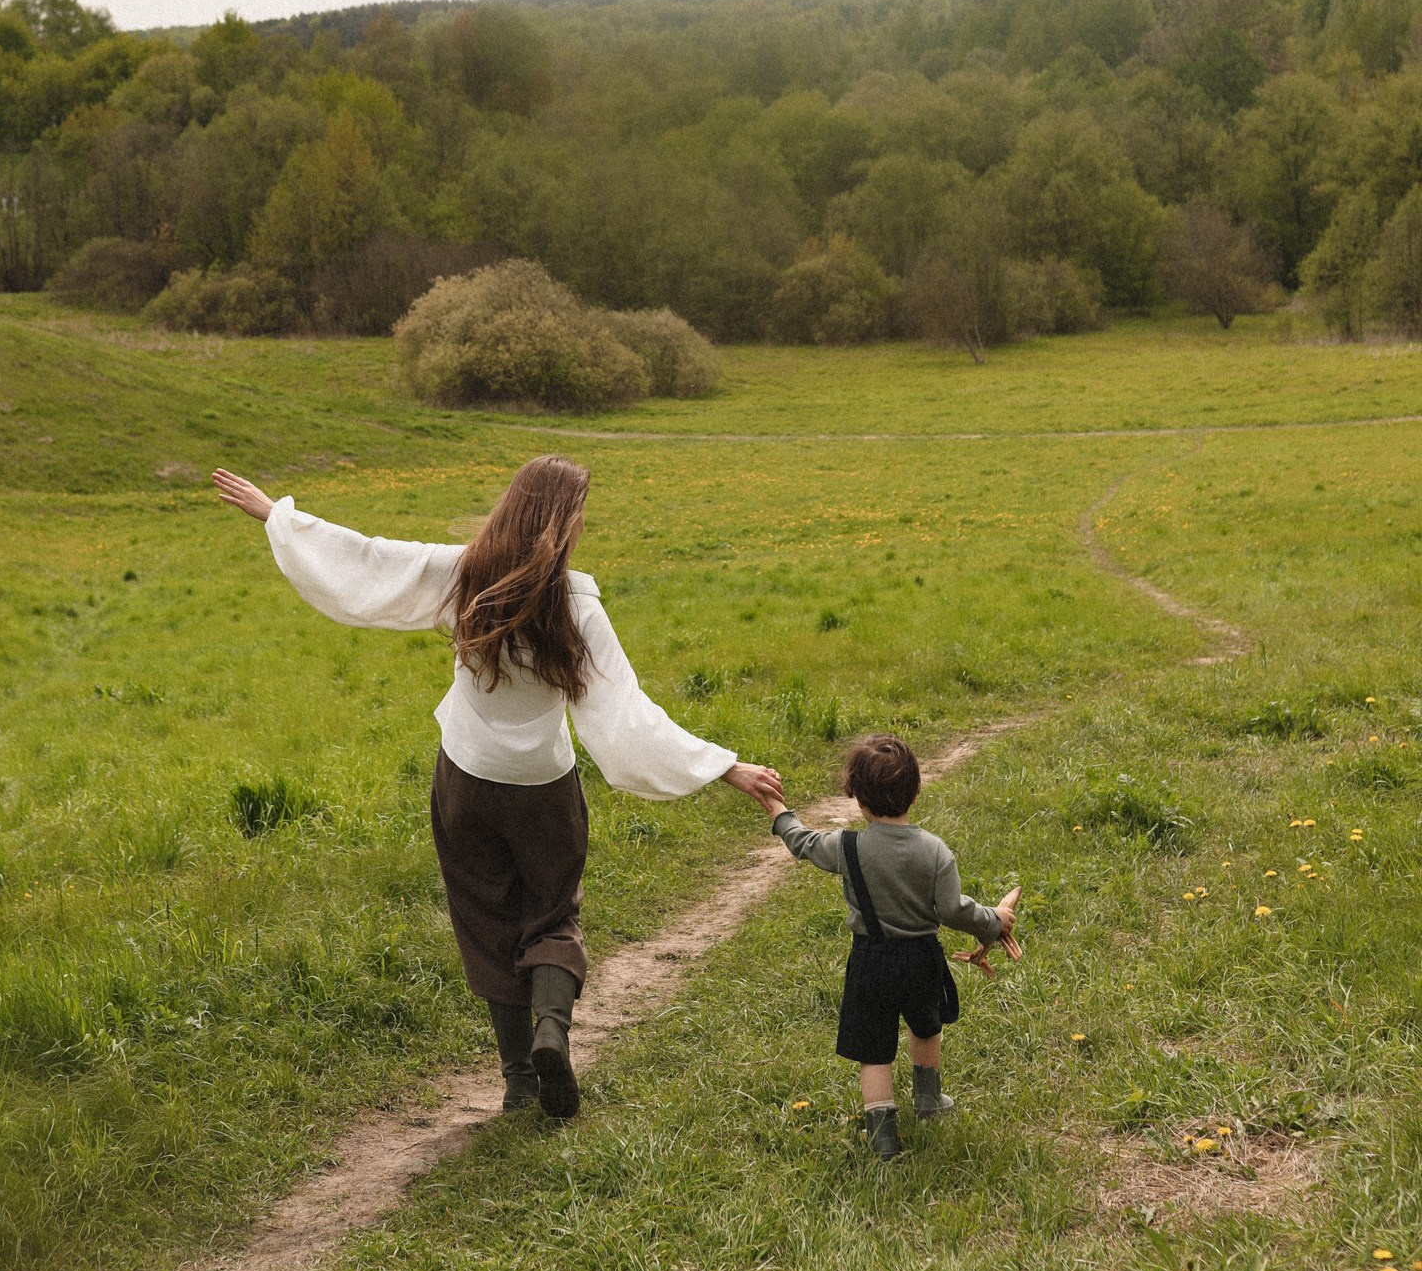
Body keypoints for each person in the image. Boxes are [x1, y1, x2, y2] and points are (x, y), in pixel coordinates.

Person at [213, 453, 782, 1121]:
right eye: (581, 513)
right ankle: (552, 1031)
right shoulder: (577, 604)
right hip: (542, 787)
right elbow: (627, 715)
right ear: (564, 521)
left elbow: (368, 559)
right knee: (552, 913)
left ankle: (518, 1082)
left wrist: (277, 517)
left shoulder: (464, 574)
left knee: (484, 921)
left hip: (465, 782)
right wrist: (724, 766)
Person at [756, 731, 1020, 1161]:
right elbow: (953, 910)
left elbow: (802, 842)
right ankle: (928, 1099)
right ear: (915, 792)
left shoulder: (847, 847)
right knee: (926, 1026)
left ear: (858, 799)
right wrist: (994, 921)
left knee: (874, 1050)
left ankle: (882, 1138)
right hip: (921, 959)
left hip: (870, 961)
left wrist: (778, 810)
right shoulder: (935, 851)